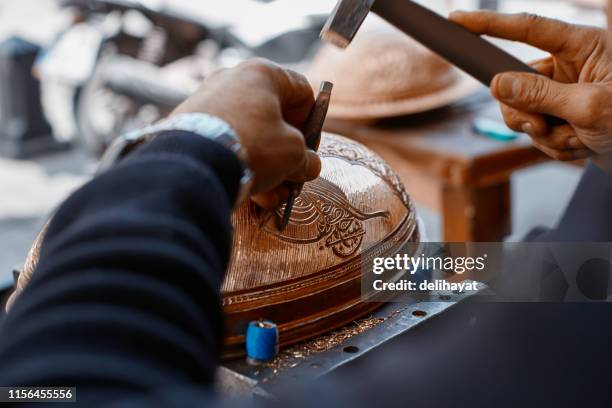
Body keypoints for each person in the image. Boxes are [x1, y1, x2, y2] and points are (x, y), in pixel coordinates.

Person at [0, 10, 612, 407]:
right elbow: (582, 276)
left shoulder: (550, 357)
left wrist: (190, 145)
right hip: (392, 270)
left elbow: (58, 381)